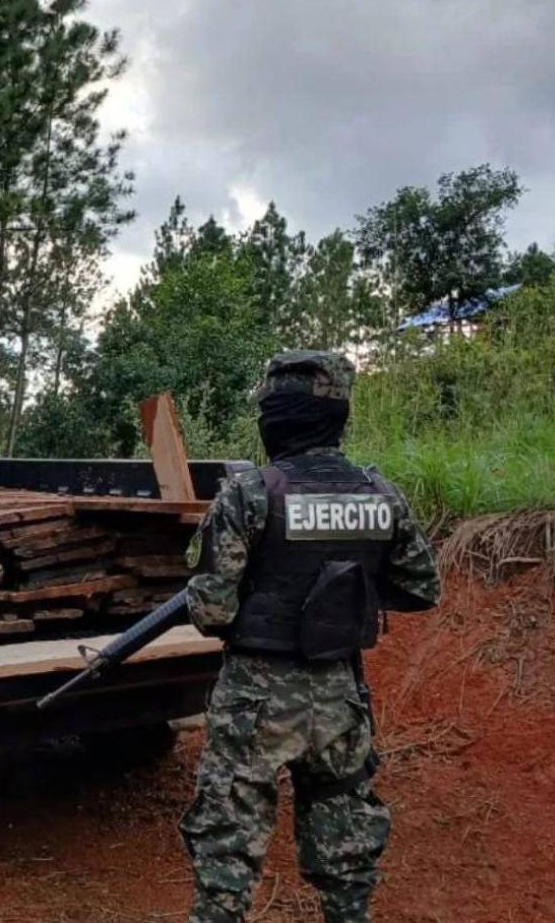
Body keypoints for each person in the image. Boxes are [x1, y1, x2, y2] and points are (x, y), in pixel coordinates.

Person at [180, 350, 441, 923]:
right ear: (338, 418)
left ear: (274, 420)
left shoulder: (249, 495)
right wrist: (354, 589)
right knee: (346, 848)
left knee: (228, 845)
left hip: (256, 699)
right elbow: (422, 588)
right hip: (340, 698)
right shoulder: (381, 495)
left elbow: (212, 612)